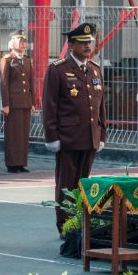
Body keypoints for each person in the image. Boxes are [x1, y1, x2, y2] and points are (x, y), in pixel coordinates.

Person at [42, 22, 106, 234]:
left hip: (89, 136)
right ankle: (65, 225)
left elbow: (100, 105)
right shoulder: (58, 69)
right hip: (68, 137)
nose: (88, 46)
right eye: (82, 42)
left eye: (89, 42)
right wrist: (52, 136)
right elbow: (50, 105)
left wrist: (102, 132)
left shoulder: (95, 69)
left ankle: (81, 221)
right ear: (71, 45)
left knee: (84, 183)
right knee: (67, 184)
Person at [0, 30, 34, 173]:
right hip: (13, 103)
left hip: (25, 102)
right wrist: (5, 104)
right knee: (13, 134)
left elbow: (31, 82)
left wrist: (33, 102)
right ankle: (12, 163)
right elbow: (4, 83)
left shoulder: (27, 60)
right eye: (21, 41)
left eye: (25, 41)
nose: (23, 44)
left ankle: (21, 162)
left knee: (23, 134)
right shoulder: (6, 59)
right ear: (13, 42)